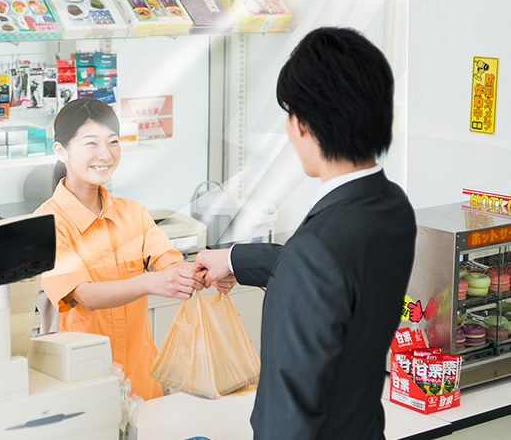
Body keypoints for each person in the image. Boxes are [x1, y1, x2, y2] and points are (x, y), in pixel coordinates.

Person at [193, 27, 417, 439]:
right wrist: (232, 259)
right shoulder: (393, 207)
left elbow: (288, 417)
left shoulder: (317, 250)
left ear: (302, 124)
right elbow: (335, 276)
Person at [35, 98, 204, 401]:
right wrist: (149, 282)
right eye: (91, 143)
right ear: (61, 151)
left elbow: (169, 263)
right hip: (83, 389)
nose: (105, 154)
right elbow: (84, 294)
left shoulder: (133, 213)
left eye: (113, 142)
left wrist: (207, 270)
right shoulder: (46, 225)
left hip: (142, 382)